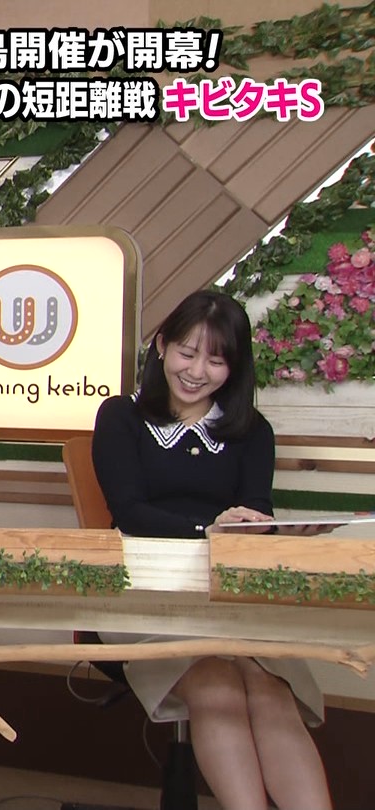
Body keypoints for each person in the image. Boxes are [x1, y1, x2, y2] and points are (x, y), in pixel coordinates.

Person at [91, 289, 330, 810]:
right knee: (217, 683)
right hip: (144, 587)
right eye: (187, 352)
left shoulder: (252, 432)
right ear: (161, 346)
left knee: (269, 686)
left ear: (234, 367)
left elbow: (255, 512)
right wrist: (208, 531)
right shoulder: (120, 416)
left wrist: (271, 532)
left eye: (216, 360)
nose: (197, 371)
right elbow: (130, 512)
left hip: (226, 594)